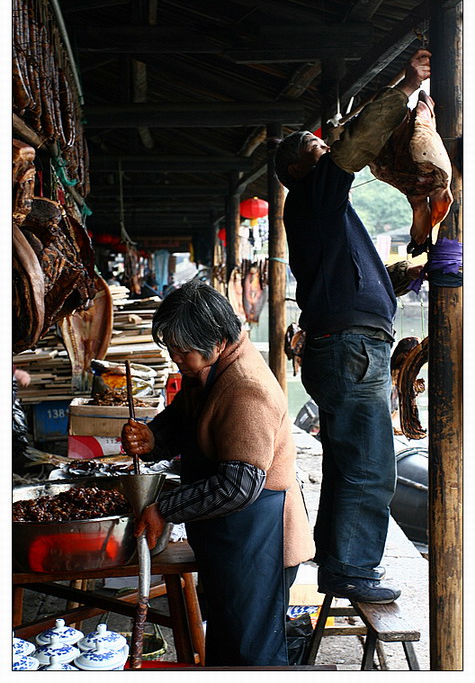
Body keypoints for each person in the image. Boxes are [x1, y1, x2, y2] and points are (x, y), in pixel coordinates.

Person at [273, 49, 431, 604]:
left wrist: (417, 270)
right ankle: (354, 571)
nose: (328, 149)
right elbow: (356, 144)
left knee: (348, 462)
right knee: (370, 463)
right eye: (317, 149)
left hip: (342, 344)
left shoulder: (328, 215)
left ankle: (342, 563)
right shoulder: (315, 196)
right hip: (349, 348)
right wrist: (408, 83)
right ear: (299, 170)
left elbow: (362, 278)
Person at [121, 280, 315, 666]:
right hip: (231, 537)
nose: (176, 356)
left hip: (261, 536)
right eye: (171, 347)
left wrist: (166, 508)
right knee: (227, 644)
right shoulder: (204, 373)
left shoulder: (246, 390)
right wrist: (151, 437)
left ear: (219, 340)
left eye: (183, 349)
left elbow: (237, 486)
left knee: (251, 655)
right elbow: (181, 421)